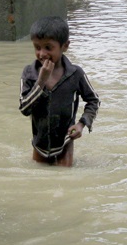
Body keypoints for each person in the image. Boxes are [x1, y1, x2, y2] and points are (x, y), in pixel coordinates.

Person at [19, 16, 100, 167]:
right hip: (39, 144)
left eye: (48, 48)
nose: (42, 54)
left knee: (64, 177)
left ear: (65, 46)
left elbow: (93, 100)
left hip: (65, 142)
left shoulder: (75, 74)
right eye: (37, 47)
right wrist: (41, 81)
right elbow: (24, 109)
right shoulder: (29, 74)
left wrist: (82, 124)